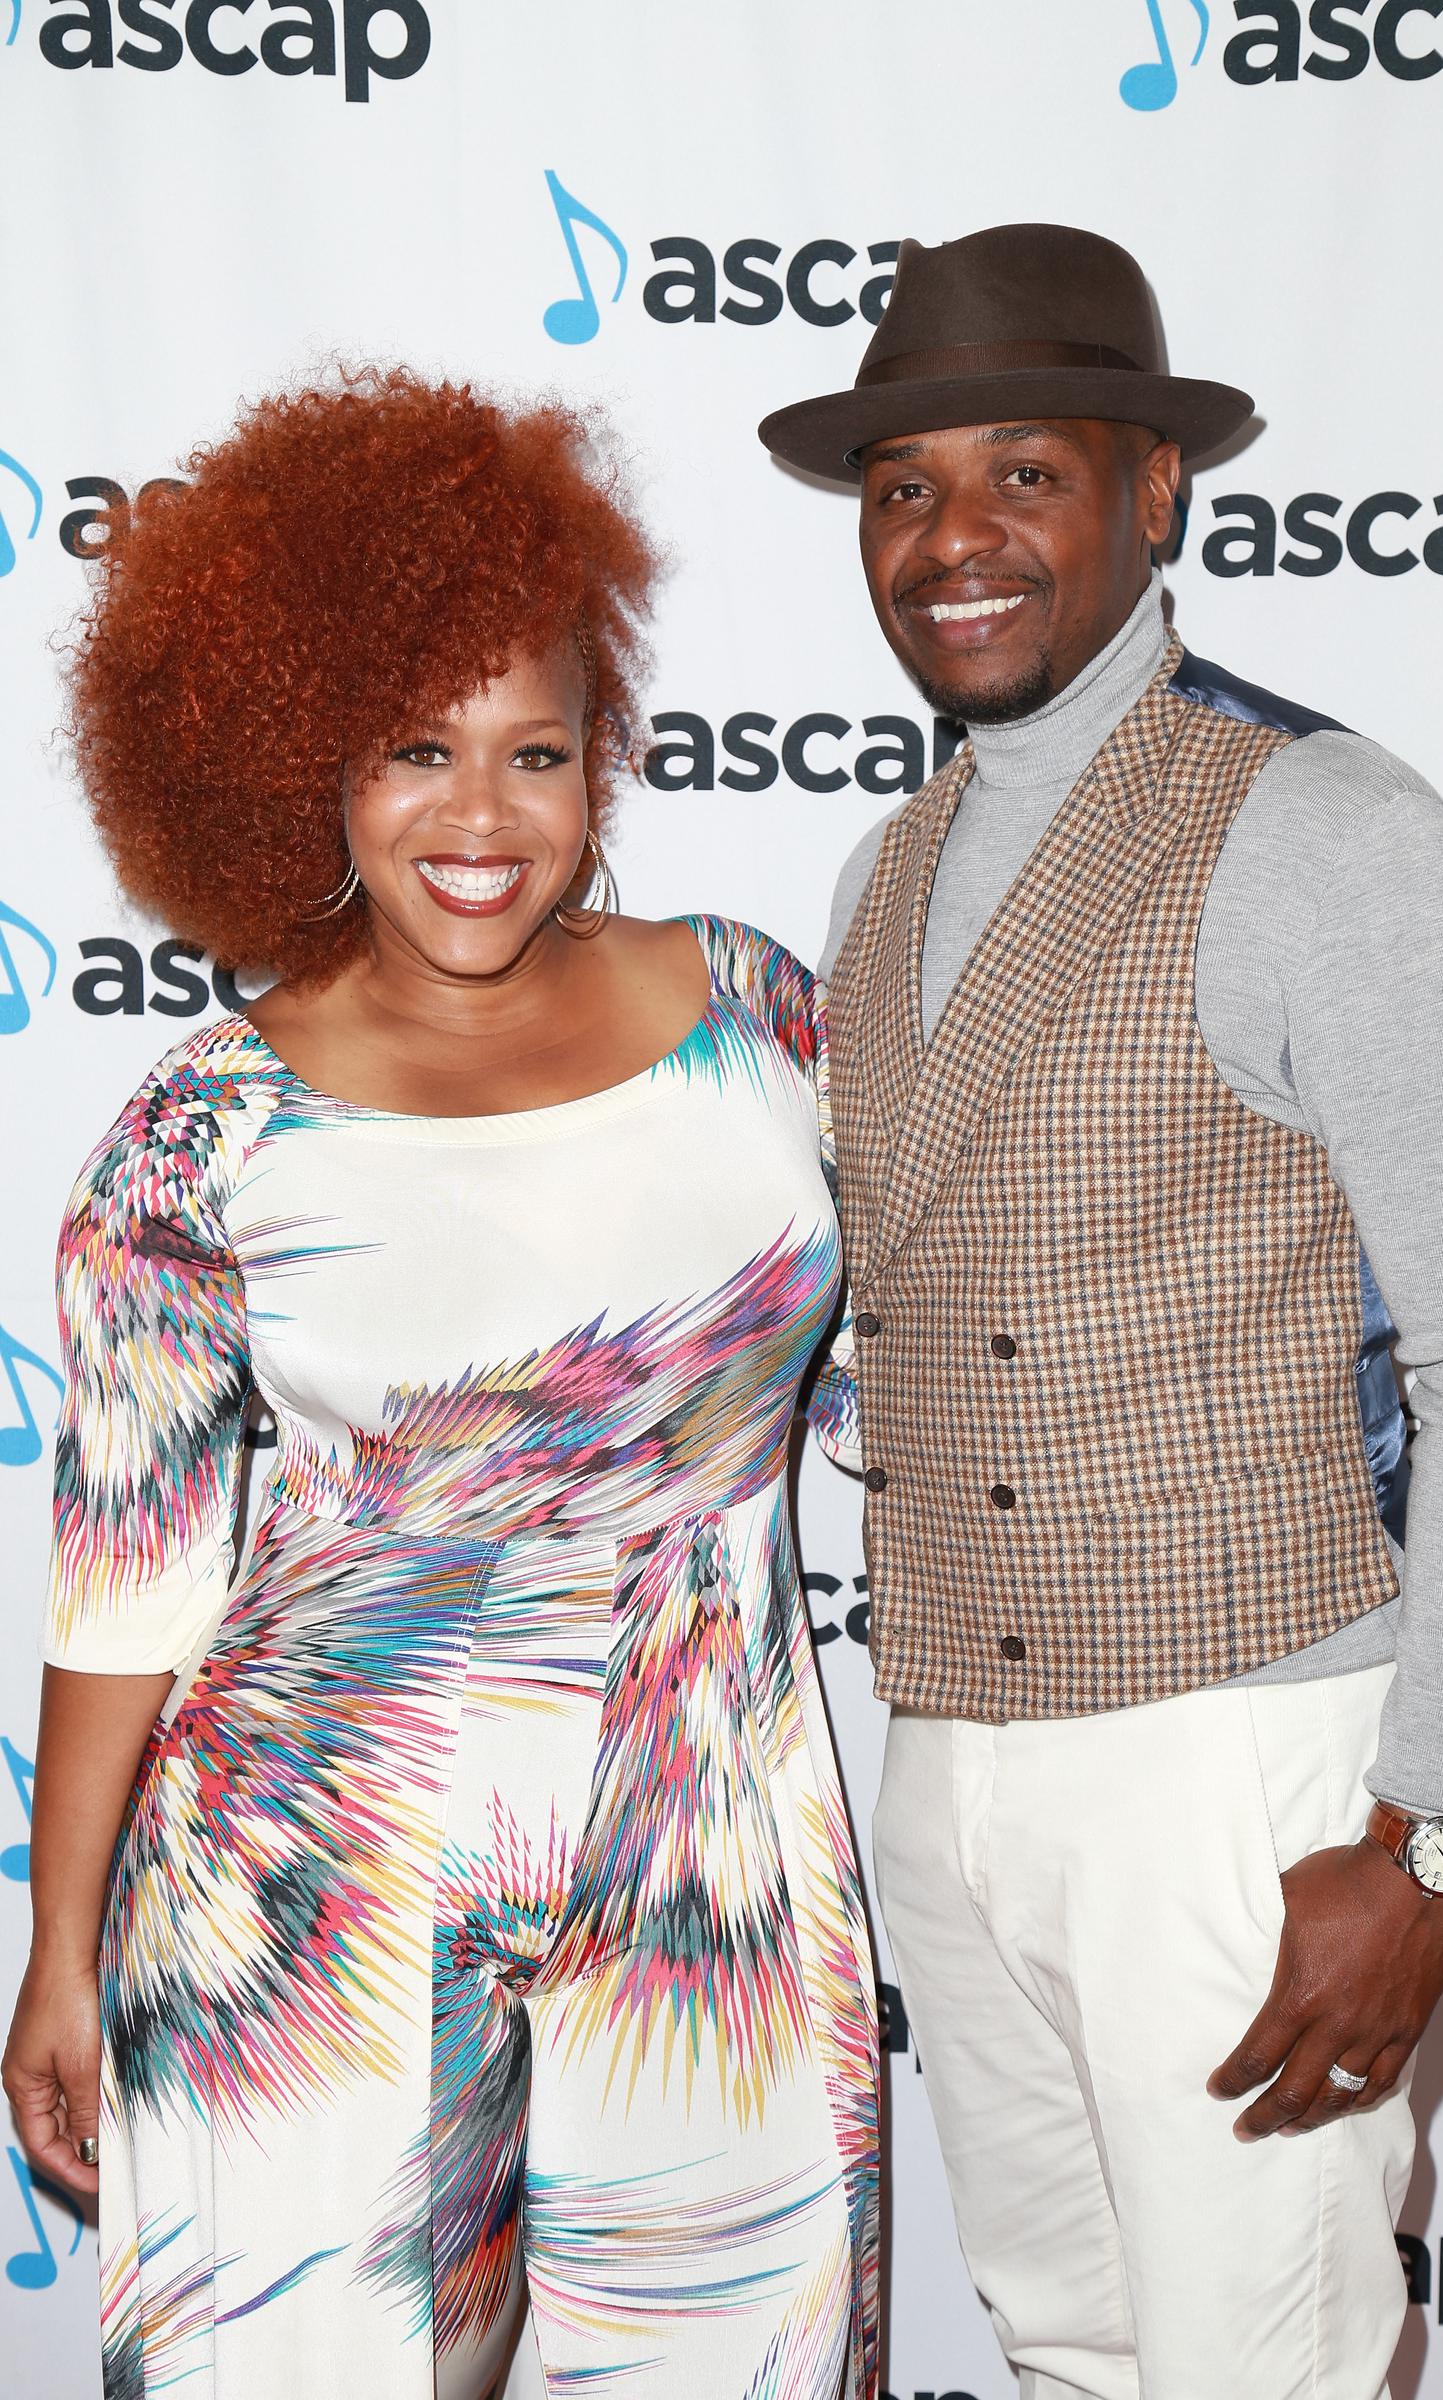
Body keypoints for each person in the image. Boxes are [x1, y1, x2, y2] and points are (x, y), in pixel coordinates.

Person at [759, 224, 1443, 2398]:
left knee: (1256, 2367)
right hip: (950, 1758)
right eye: (904, 487)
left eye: (1021, 475)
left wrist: (1430, 1841)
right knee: (1061, 2349)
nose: (953, 541)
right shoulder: (884, 868)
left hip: (1242, 1761)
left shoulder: (1328, 826)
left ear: (1152, 492)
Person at [2, 368, 877, 2400]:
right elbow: (126, 1583)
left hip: (709, 1858)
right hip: (300, 1884)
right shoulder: (193, 1130)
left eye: (536, 753)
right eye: (413, 751)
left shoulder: (758, 1023)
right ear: (304, 761)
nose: (479, 822)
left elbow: (922, 1404)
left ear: (604, 762)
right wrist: (58, 1950)